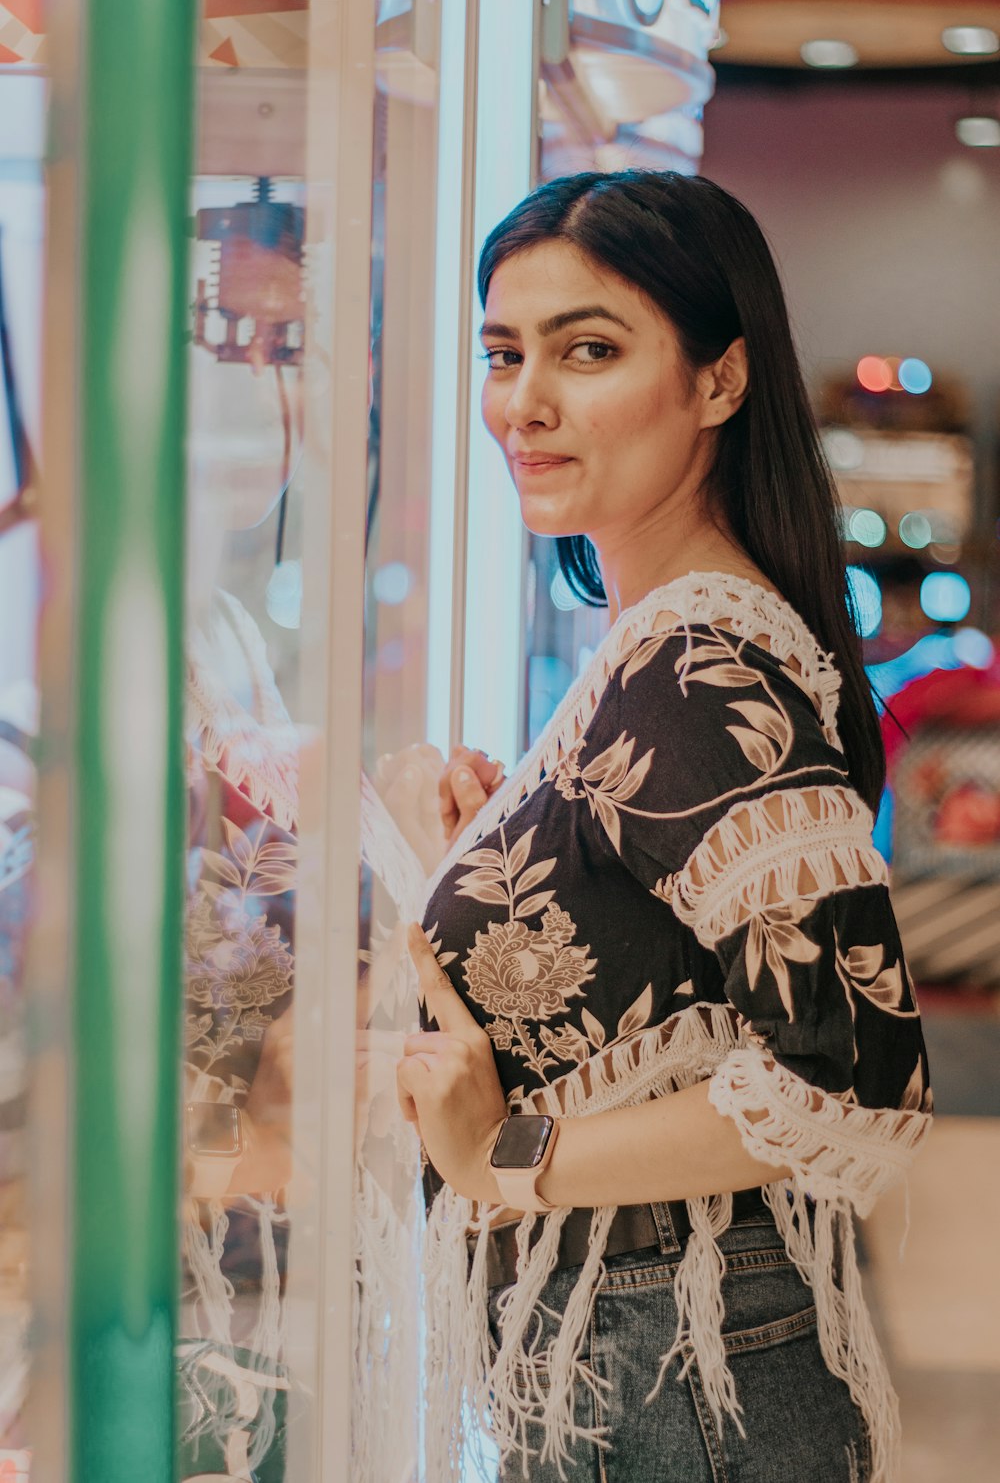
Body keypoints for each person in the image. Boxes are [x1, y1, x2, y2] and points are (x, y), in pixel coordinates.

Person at [395, 172, 932, 1483]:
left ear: (717, 381)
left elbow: (852, 1075)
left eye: (588, 350)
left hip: (673, 1372)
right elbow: (671, 984)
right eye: (504, 352)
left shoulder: (696, 664)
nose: (525, 401)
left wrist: (506, 1156)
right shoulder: (663, 642)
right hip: (647, 1354)